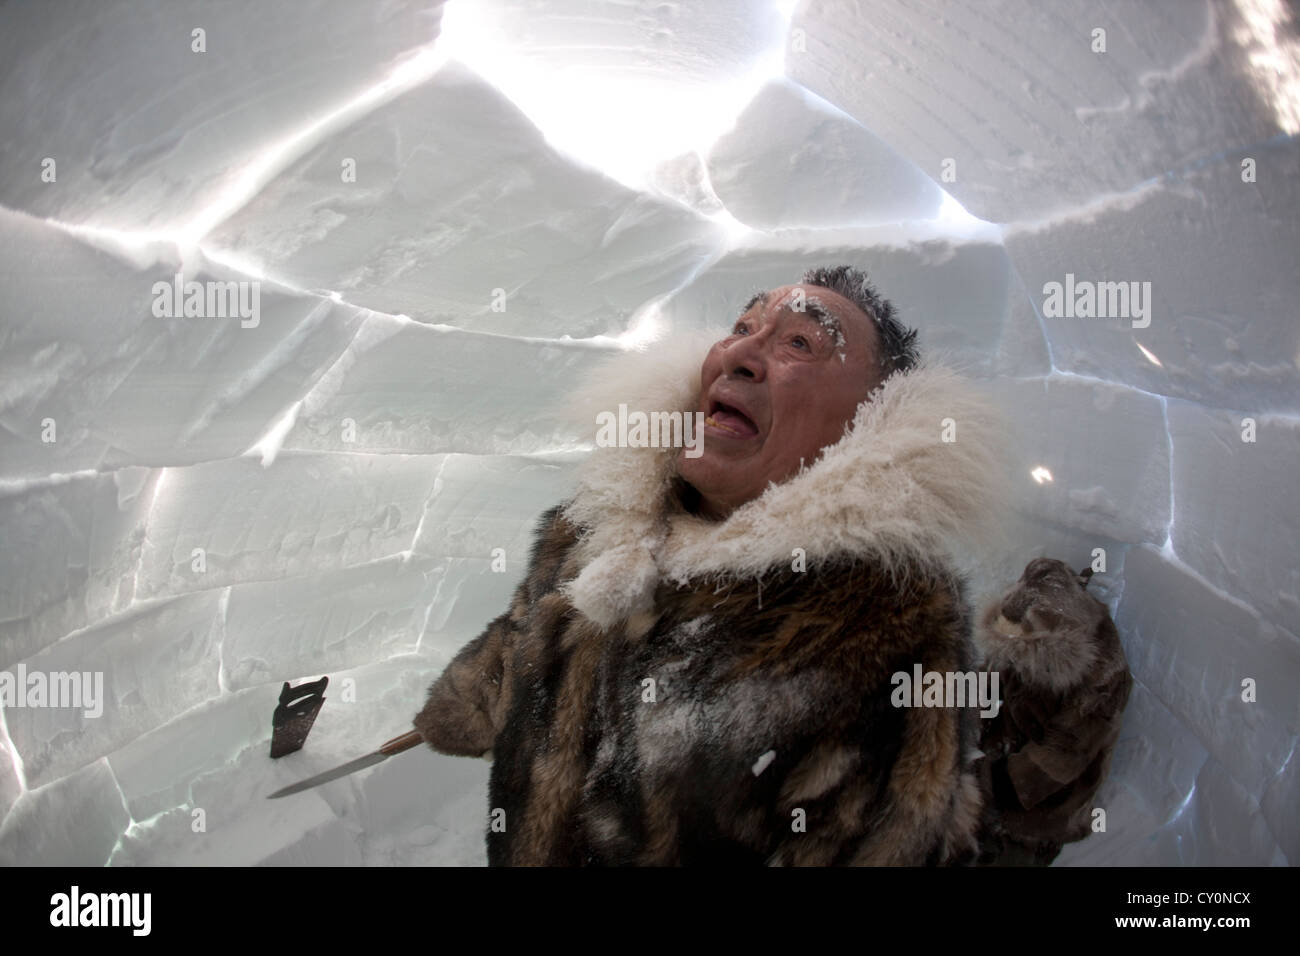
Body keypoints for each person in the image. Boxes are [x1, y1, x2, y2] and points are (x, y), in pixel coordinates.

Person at [414, 264, 1012, 865]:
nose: (740, 354)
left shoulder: (885, 632)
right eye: (743, 326)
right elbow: (531, 640)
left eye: (800, 342)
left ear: (871, 420)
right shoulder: (598, 526)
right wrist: (466, 704)